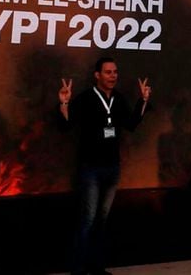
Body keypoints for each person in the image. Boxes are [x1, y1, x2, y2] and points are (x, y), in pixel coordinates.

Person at [58, 58, 152, 275]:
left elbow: (131, 124)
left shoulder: (118, 99)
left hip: (112, 167)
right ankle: (78, 267)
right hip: (90, 167)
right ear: (97, 75)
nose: (113, 76)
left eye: (115, 72)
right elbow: (66, 125)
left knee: (102, 219)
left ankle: (96, 265)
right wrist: (64, 102)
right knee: (88, 218)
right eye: (108, 72)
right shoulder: (86, 98)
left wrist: (143, 101)